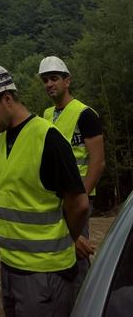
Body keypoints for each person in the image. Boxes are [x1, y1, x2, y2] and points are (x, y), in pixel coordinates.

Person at [0, 63, 89, 317]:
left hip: (44, 274)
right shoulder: (1, 139)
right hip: (10, 268)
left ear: (7, 99)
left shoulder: (48, 138)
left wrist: (70, 238)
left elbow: (78, 204)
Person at [39, 55, 105, 289]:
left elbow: (98, 161)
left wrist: (83, 196)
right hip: (56, 196)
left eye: (54, 78)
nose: (49, 84)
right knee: (61, 247)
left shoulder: (85, 114)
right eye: (45, 80)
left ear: (67, 81)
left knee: (77, 249)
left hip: (78, 195)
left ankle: (84, 298)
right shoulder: (47, 115)